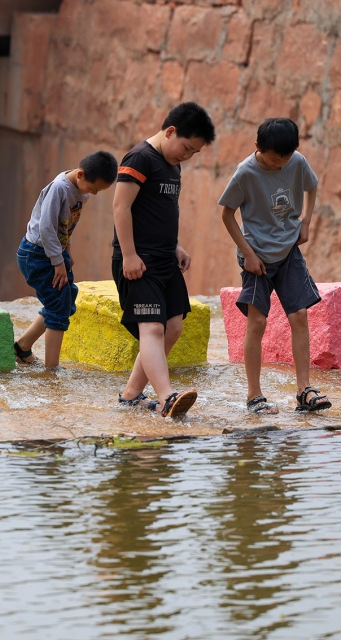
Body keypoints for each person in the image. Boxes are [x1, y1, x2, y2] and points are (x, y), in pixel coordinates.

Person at [218, 117, 333, 415]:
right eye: (273, 160)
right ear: (258, 148)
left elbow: (313, 186)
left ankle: (304, 390)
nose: (279, 165)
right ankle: (254, 395)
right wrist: (248, 253)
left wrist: (306, 222)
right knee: (257, 322)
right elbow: (227, 215)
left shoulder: (296, 162)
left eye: (285, 158)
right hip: (257, 258)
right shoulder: (245, 173)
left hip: (289, 251)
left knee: (300, 316)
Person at [112, 102, 215, 419]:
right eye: (186, 147)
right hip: (138, 263)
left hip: (164, 260)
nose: (187, 156)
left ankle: (131, 395)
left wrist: (176, 247)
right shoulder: (140, 158)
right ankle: (167, 397)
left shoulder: (173, 165)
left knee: (173, 328)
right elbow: (121, 206)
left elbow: (160, 212)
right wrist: (129, 254)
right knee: (153, 329)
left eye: (194, 153)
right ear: (170, 131)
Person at [14, 151, 118, 369]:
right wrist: (58, 262)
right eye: (93, 188)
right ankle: (51, 370)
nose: (94, 194)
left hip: (54, 253)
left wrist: (67, 249)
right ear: (80, 174)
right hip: (37, 254)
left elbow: (66, 224)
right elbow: (46, 227)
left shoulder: (80, 191)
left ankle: (22, 347)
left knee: (65, 299)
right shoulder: (59, 188)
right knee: (58, 309)